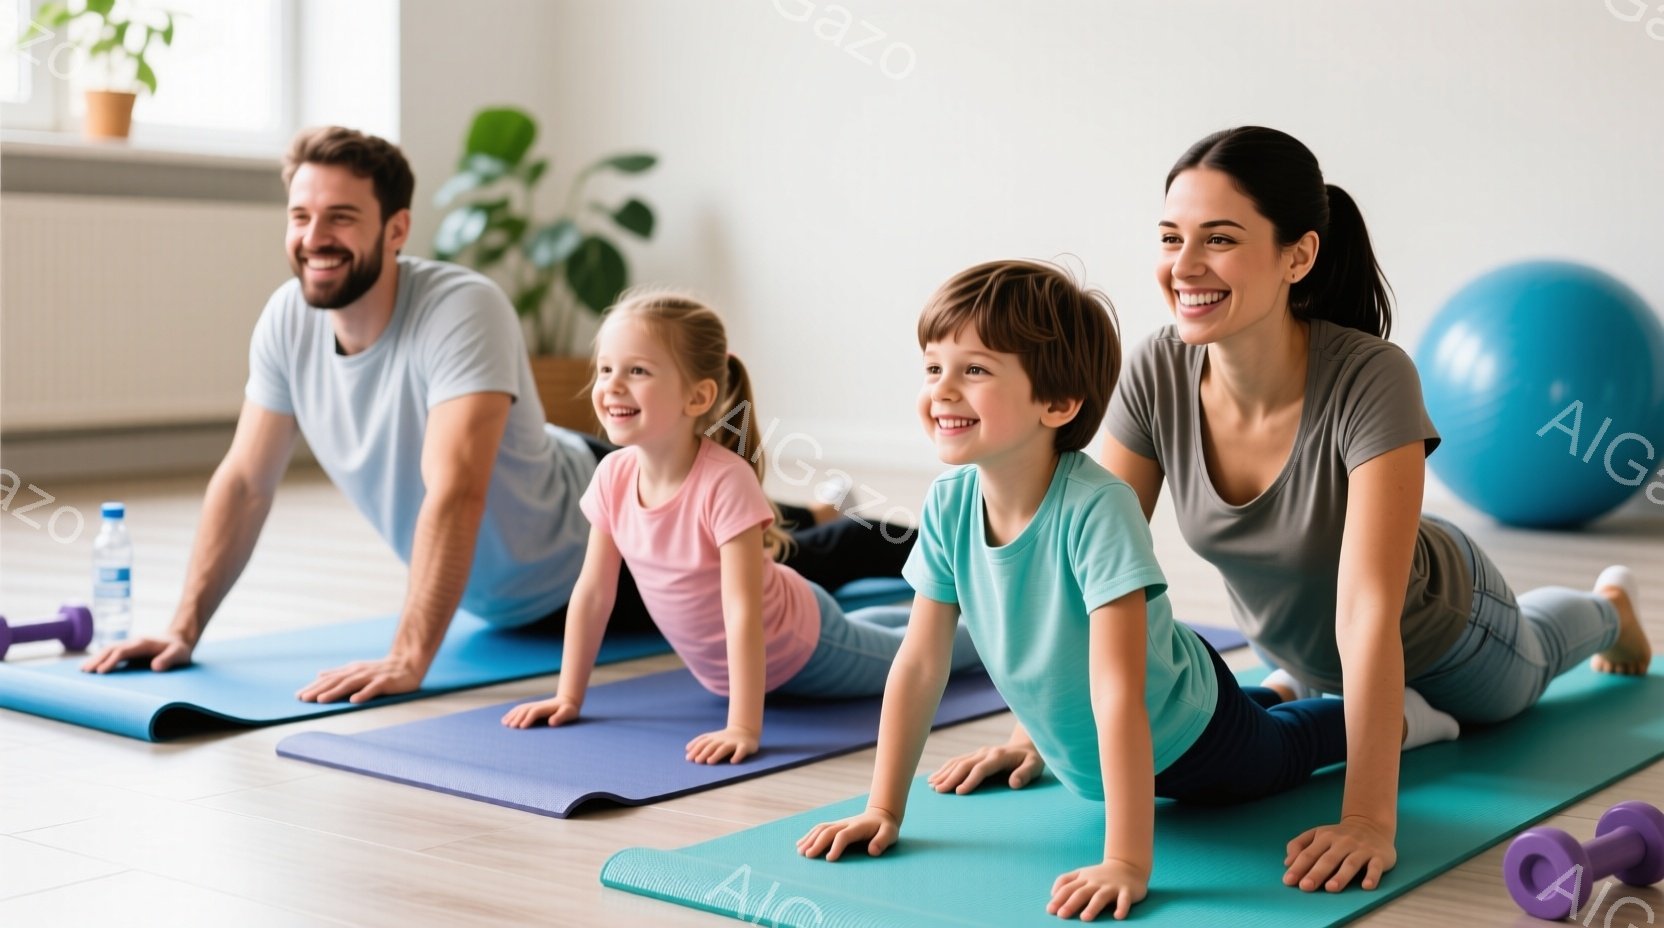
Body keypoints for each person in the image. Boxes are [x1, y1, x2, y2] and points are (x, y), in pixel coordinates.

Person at [80, 126, 914, 702]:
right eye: (301, 216)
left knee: (802, 558)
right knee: (766, 522)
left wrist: (412, 659)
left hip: (588, 538)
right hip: (536, 542)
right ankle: (801, 505)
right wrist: (181, 629)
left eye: (341, 216)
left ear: (396, 228)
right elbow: (246, 482)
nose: (315, 237)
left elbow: (457, 489)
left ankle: (938, 542)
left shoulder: (460, 307)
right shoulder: (285, 320)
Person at [795, 259, 1458, 921]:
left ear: (1056, 404)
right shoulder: (947, 503)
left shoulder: (1096, 508)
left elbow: (1117, 690)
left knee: (1286, 748)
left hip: (1192, 736)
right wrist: (884, 807)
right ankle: (1282, 681)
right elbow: (919, 663)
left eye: (974, 371)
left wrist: (1126, 862)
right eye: (933, 367)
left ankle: (1399, 716)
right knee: (1261, 708)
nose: (942, 390)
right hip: (1136, 713)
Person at [1099, 126, 1652, 896]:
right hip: (1302, 650)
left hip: (1444, 630)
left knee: (1530, 668)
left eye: (1218, 239)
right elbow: (1094, 564)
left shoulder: (1370, 377)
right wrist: (1040, 723)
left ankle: (1607, 605)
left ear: (1299, 255)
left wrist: (1366, 819)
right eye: (1170, 237)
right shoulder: (1158, 369)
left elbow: (1367, 611)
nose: (1184, 267)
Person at [500, 291, 981, 763]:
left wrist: (743, 726)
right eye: (606, 369)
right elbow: (592, 593)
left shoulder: (724, 480)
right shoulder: (612, 476)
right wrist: (568, 696)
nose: (613, 385)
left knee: (941, 647)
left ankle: (997, 621)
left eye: (637, 371)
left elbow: (742, 609)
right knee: (890, 627)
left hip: (802, 648)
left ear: (699, 395)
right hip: (757, 655)